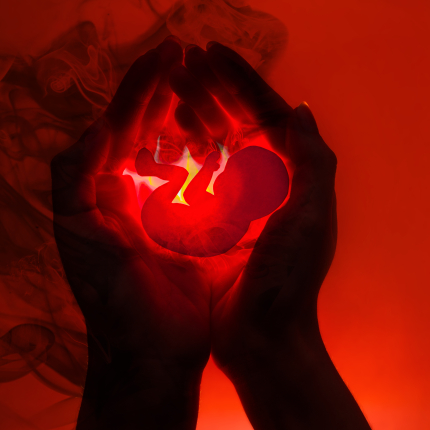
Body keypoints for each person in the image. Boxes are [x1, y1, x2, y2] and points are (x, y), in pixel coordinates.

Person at [51, 36, 372, 429]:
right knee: (175, 184)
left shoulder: (231, 220)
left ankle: (154, 169)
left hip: (167, 217)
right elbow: (199, 197)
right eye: (231, 169)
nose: (225, 173)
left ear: (252, 196)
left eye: (234, 172)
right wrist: (274, 339)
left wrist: (140, 366)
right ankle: (155, 170)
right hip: (171, 220)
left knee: (173, 182)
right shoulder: (233, 216)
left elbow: (194, 196)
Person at [135, 145, 289, 257]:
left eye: (228, 175)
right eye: (225, 170)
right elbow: (191, 195)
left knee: (180, 175)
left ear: (247, 198)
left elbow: (191, 194)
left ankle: (149, 168)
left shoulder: (225, 218)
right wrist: (207, 169)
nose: (220, 176)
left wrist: (207, 169)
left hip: (156, 218)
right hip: (163, 226)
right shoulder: (232, 215)